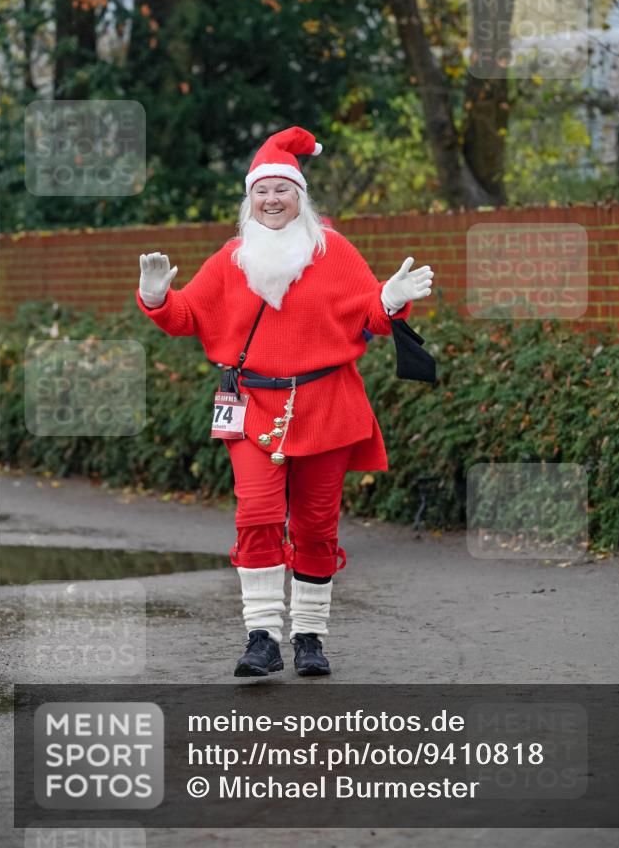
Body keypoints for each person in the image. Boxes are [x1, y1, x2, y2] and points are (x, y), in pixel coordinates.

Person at [137, 126, 433, 678]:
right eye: (262, 191)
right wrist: (156, 297)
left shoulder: (333, 249)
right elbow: (186, 317)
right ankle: (262, 637)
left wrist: (390, 299)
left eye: (283, 190)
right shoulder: (231, 258)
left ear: (301, 196)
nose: (272, 200)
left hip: (327, 403)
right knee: (257, 516)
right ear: (249, 199)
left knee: (318, 525)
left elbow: (369, 313)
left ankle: (310, 637)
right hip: (251, 407)